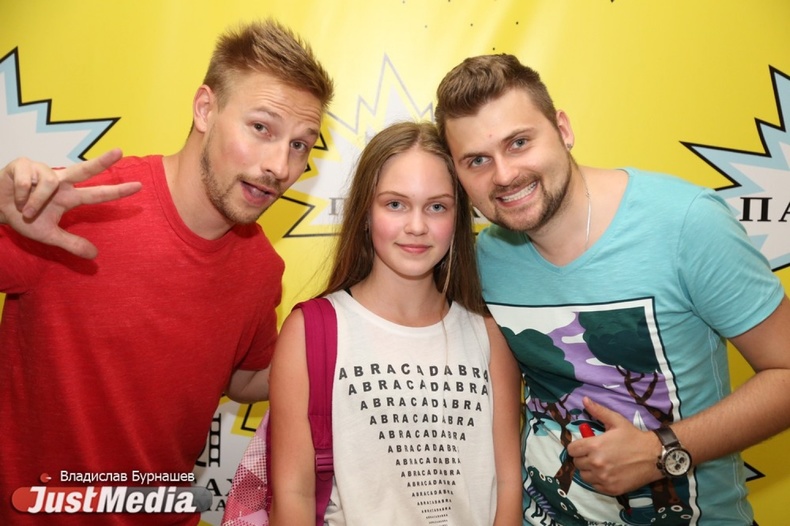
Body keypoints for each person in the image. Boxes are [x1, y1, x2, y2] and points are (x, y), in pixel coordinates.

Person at [0, 20, 333, 526]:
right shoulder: (78, 208)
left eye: (300, 145)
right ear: (205, 109)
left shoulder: (262, 267)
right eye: (262, 128)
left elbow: (244, 378)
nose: (280, 166)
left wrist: (342, 340)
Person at [434, 53, 790, 525]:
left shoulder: (685, 223)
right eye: (477, 160)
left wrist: (660, 450)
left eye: (519, 142)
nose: (502, 175)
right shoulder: (484, 258)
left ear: (562, 129)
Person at [267, 121, 523, 525]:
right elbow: (292, 494)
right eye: (395, 204)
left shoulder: (488, 335)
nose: (416, 226)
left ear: (457, 218)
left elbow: (508, 485)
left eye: (437, 207)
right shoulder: (311, 330)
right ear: (365, 213)